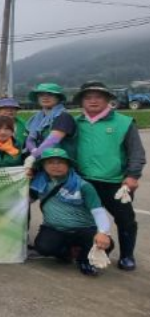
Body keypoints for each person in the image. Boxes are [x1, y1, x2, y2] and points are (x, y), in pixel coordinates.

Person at [69, 81, 145, 271]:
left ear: (108, 99)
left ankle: (127, 256)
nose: (93, 101)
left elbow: (136, 152)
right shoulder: (76, 123)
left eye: (98, 97)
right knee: (86, 220)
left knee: (126, 220)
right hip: (85, 181)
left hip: (116, 182)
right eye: (88, 97)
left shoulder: (124, 122)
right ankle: (90, 253)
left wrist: (133, 175)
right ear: (81, 101)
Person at [30, 148, 114, 277]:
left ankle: (84, 260)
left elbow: (98, 211)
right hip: (54, 228)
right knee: (43, 247)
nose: (55, 166)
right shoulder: (39, 182)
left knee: (106, 244)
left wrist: (103, 233)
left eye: (60, 162)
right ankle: (67, 252)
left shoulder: (83, 186)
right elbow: (26, 201)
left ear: (68, 165)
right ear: (43, 166)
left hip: (84, 229)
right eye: (50, 162)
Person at [25, 83, 75, 160]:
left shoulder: (63, 117)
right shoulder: (35, 119)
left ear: (58, 98)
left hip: (59, 161)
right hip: (41, 160)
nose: (45, 97)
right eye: (41, 95)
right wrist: (33, 151)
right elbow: (30, 140)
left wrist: (33, 156)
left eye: (50, 94)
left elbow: (53, 140)